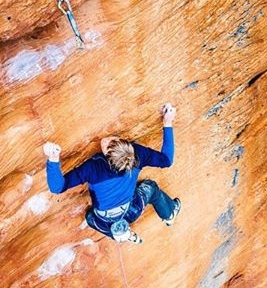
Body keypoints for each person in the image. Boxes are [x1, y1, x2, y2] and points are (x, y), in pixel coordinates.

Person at [43, 103, 180, 244]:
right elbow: (167, 160)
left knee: (91, 218)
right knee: (149, 187)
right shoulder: (137, 154)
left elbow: (57, 187)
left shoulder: (93, 168)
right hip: (131, 210)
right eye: (112, 142)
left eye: (109, 145)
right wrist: (168, 122)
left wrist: (53, 160)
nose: (105, 141)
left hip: (103, 220)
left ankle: (120, 234)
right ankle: (169, 214)